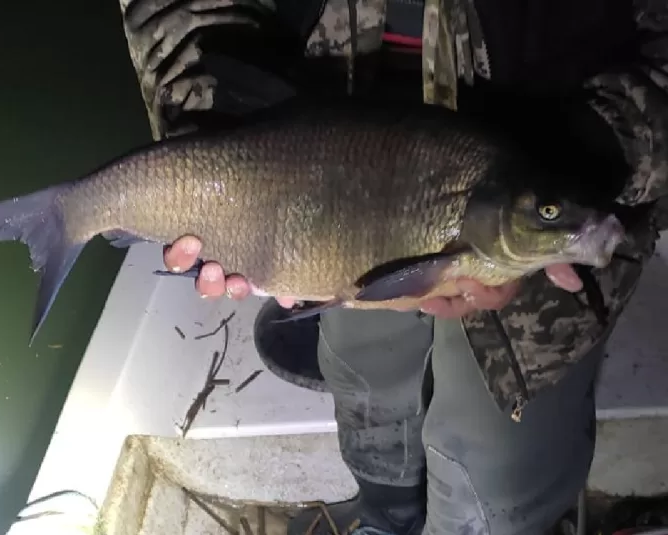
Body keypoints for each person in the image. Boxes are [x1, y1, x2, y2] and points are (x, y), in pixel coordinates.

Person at [118, 0, 668, 533]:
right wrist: (213, 122)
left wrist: (598, 151)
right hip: (321, 182)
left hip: (551, 164)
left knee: (496, 466)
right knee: (364, 379)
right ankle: (385, 515)